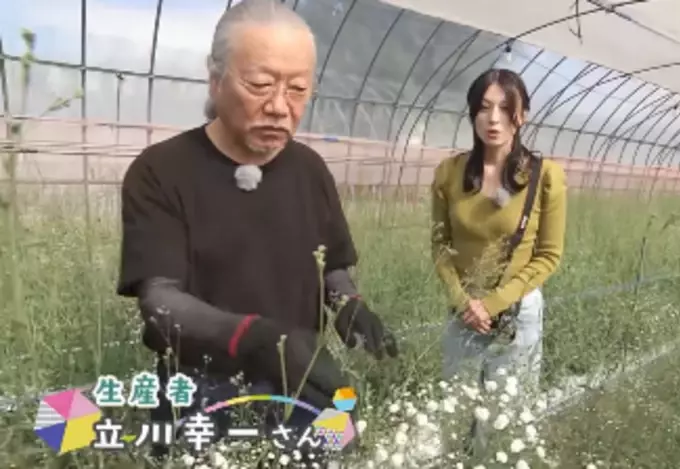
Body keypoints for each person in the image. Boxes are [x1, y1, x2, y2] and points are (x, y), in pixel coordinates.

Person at [115, 0, 398, 461]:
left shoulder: (310, 170)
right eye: (261, 85)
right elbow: (160, 300)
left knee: (335, 455)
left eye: (298, 90)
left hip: (303, 384)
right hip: (204, 393)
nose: (279, 107)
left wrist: (350, 306)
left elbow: (333, 268)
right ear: (216, 78)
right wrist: (260, 340)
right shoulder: (161, 171)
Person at [430, 68, 567, 453]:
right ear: (472, 113)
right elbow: (440, 247)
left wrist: (492, 303)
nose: (494, 119)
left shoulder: (546, 177)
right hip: (462, 312)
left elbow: (548, 256)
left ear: (522, 115)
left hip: (516, 313)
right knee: (455, 413)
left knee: (504, 417)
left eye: (506, 108)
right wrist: (463, 303)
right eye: (484, 107)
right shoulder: (449, 173)